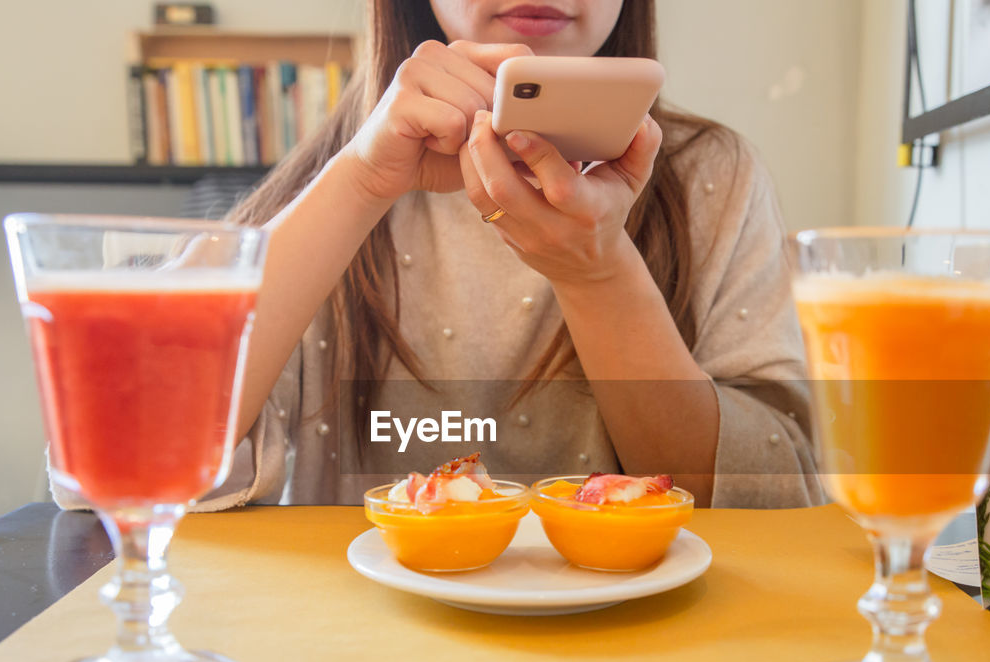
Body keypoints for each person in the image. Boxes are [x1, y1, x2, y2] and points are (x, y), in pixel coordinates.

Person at [205, 0, 821, 510]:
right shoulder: (331, 178)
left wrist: (599, 272)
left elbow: (777, 492)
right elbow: (148, 438)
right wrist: (361, 181)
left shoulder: (714, 176)